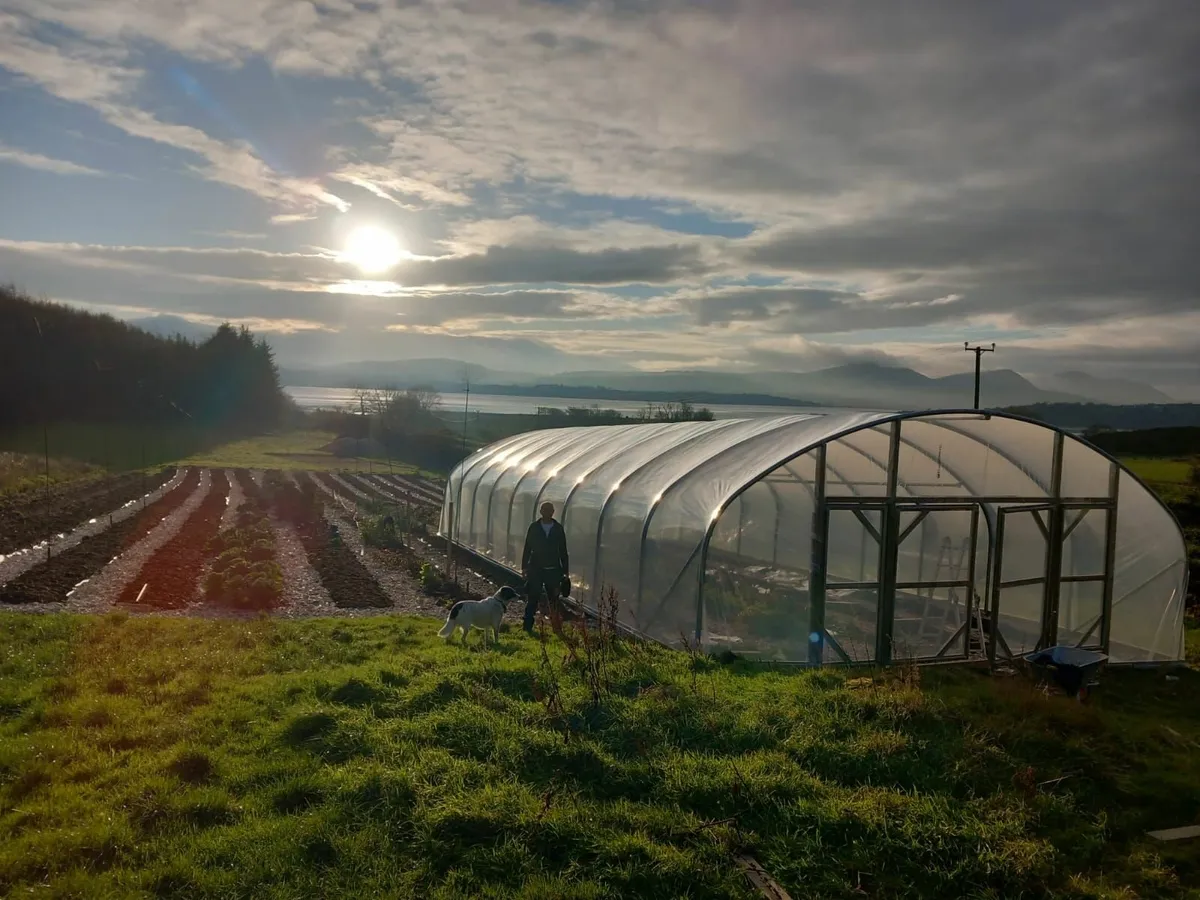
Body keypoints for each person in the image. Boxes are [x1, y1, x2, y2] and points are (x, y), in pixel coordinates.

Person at [521, 501, 570, 634]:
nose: (547, 513)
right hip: (536, 569)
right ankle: (527, 625)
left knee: (554, 599)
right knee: (533, 597)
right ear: (541, 512)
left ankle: (556, 627)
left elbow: (563, 551)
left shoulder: (558, 529)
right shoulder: (534, 528)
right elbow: (527, 548)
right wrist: (524, 567)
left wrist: (565, 571)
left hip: (553, 570)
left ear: (553, 512)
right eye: (545, 510)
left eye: (549, 510)